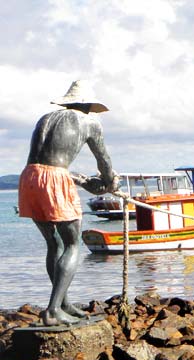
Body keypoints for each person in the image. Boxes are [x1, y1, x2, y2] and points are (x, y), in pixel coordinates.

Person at [18, 80, 119, 326]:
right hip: (54, 178)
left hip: (30, 176)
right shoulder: (89, 122)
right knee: (72, 244)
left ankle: (63, 302)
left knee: (55, 244)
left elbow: (45, 161)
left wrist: (82, 181)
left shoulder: (46, 118)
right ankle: (53, 310)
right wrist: (109, 182)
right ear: (87, 104)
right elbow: (103, 161)